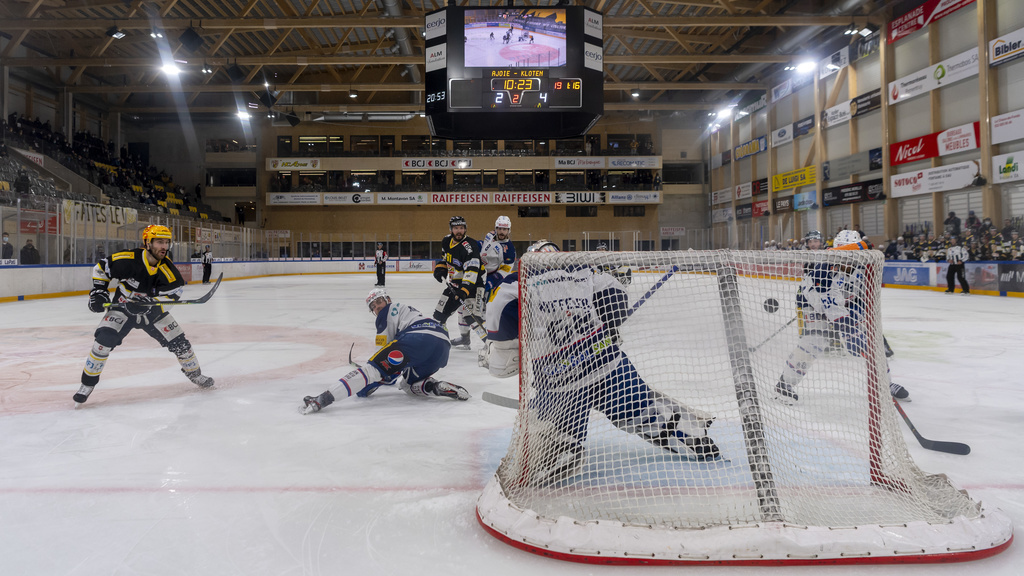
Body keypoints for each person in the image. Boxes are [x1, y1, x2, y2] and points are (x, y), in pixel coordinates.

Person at [485, 240, 720, 484]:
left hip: (560, 383)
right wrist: (608, 327)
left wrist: (501, 357)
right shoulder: (582, 270)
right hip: (608, 364)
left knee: (552, 440)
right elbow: (617, 297)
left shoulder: (514, 283)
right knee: (646, 412)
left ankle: (558, 451)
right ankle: (695, 437)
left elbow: (499, 330)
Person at [74, 225, 214, 406]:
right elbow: (102, 268)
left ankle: (195, 375)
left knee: (181, 344)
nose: (164, 246)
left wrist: (151, 302)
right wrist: (98, 292)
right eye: (159, 242)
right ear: (147, 243)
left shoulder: (169, 272)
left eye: (166, 242)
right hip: (122, 308)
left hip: (152, 312)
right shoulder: (128, 259)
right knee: (103, 342)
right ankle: (87, 384)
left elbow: (174, 294)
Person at [775, 230, 909, 405]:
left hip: (845, 304)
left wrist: (856, 326)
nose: (848, 260)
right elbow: (824, 298)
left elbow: (861, 296)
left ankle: (885, 383)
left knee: (869, 343)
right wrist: (842, 321)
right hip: (812, 303)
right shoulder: (825, 270)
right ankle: (784, 385)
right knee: (814, 342)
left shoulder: (863, 265)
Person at [301, 288, 469, 414]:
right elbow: (394, 366)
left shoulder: (387, 312)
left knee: (371, 370)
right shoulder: (407, 311)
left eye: (379, 301)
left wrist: (371, 381)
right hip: (442, 345)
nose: (377, 307)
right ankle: (436, 387)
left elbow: (381, 361)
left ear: (387, 299)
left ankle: (321, 400)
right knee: (408, 385)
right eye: (373, 307)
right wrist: (386, 375)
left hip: (417, 338)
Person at [432, 216, 485, 350]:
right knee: (439, 315)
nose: (459, 231)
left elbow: (472, 271)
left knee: (472, 318)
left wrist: (464, 291)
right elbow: (446, 259)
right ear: (451, 229)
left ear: (465, 229)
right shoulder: (446, 241)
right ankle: (442, 341)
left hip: (473, 285)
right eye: (456, 228)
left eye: (461, 228)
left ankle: (491, 342)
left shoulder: (470, 247)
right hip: (455, 284)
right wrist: (440, 268)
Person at [479, 215, 517, 297]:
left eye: (504, 229)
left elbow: (505, 271)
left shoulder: (509, 249)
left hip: (490, 276)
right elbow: (483, 247)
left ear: (508, 230)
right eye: (499, 228)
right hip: (478, 271)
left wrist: (492, 280)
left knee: (485, 303)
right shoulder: (489, 235)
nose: (501, 231)